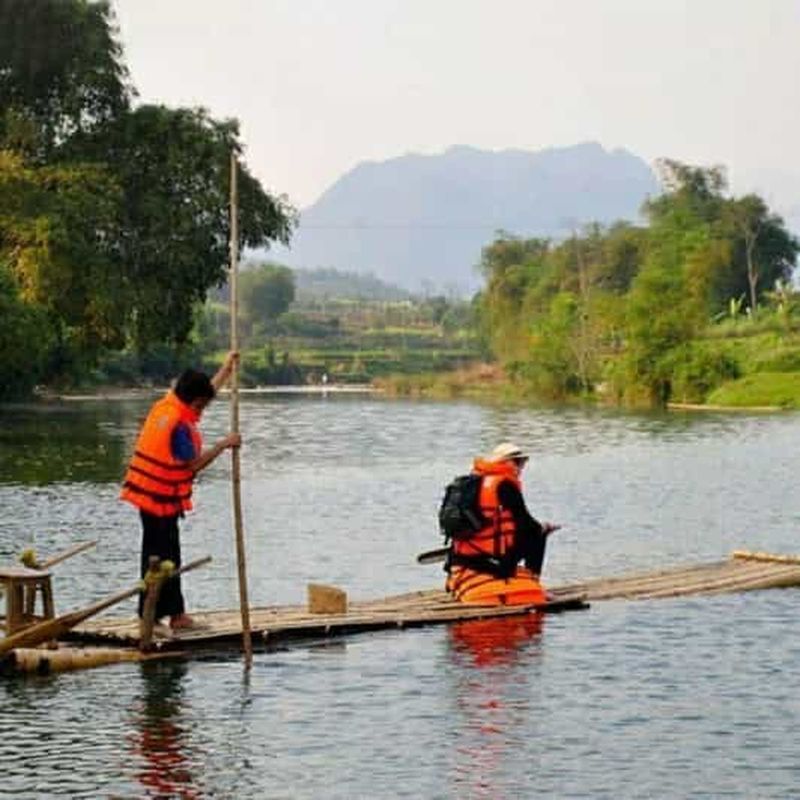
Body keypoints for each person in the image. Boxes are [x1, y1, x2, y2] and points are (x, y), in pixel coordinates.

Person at [120, 352, 241, 630]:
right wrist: (224, 445)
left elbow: (206, 393)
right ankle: (175, 615)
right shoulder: (179, 429)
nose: (202, 411)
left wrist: (226, 368)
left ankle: (150, 612)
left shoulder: (167, 406)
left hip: (148, 496)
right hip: (160, 499)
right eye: (201, 406)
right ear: (193, 401)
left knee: (154, 555)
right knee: (166, 558)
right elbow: (191, 468)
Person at [445, 442, 559, 606]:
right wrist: (544, 528)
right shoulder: (504, 485)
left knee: (532, 530)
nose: (521, 468)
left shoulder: (473, 482)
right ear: (504, 462)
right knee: (538, 533)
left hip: (461, 558)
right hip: (492, 561)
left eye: (523, 463)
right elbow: (527, 524)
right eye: (517, 462)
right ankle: (535, 582)